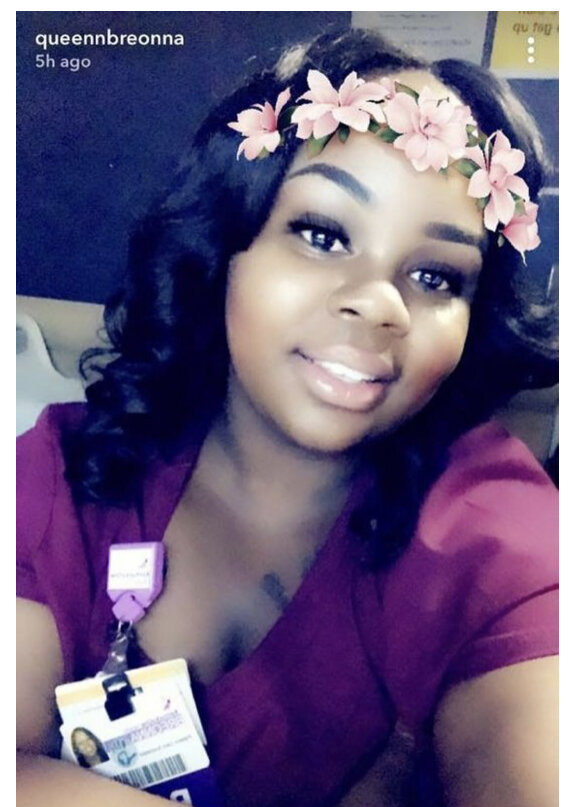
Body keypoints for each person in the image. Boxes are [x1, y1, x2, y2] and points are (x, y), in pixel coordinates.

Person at [17, 27, 558, 807]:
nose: (380, 304)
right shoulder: (61, 477)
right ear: (225, 249)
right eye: (321, 234)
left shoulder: (489, 533)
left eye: (436, 275)